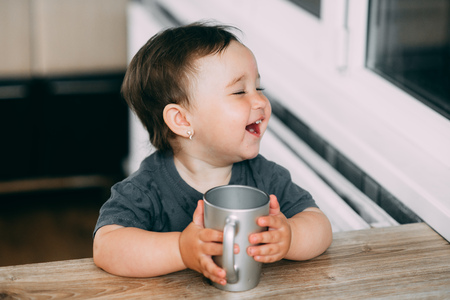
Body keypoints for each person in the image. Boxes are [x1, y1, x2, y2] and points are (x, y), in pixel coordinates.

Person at [93, 22, 332, 286]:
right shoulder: (146, 188)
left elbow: (319, 224)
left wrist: (291, 237)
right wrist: (181, 250)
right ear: (182, 120)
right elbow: (106, 246)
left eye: (259, 88)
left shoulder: (265, 177)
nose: (261, 101)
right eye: (240, 91)